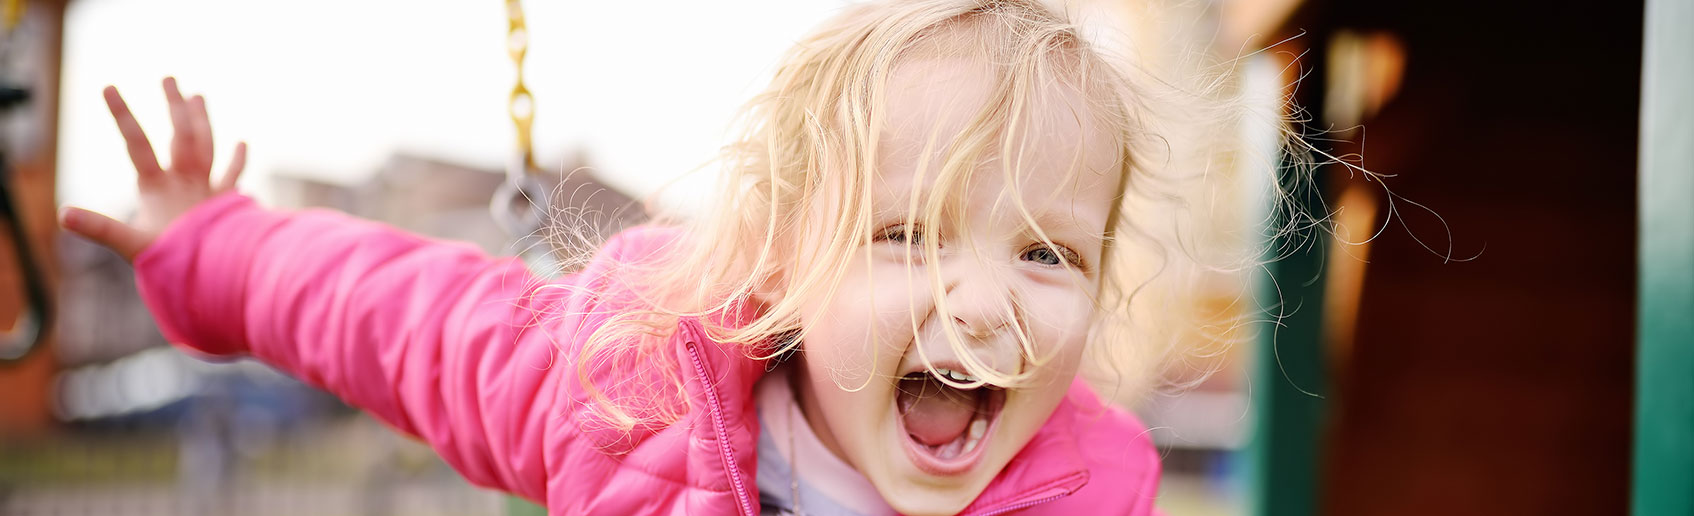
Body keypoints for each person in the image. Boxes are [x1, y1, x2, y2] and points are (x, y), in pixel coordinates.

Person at [61, 1, 1199, 514]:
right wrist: (214, 250)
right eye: (903, 235)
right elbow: (408, 322)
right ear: (787, 250)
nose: (985, 302)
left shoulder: (1095, 490)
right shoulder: (627, 389)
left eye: (1046, 254)